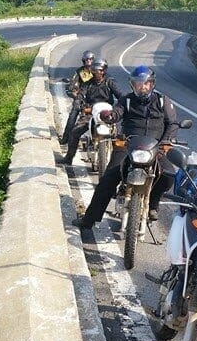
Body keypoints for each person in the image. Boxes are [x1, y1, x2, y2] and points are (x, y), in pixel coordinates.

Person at [72, 65, 179, 230]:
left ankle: (153, 204)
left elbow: (172, 123)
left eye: (146, 83)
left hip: (154, 147)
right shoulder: (127, 100)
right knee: (107, 179)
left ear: (151, 84)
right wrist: (108, 116)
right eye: (138, 84)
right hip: (129, 145)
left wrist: (166, 142)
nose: (142, 87)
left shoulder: (162, 101)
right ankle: (89, 220)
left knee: (169, 176)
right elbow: (116, 113)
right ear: (133, 85)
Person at [57, 58, 125, 164]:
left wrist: (121, 106)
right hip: (91, 113)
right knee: (75, 132)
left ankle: (119, 165)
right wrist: (79, 101)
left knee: (120, 137)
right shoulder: (88, 84)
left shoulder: (109, 82)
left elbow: (121, 96)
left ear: (103, 71)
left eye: (98, 70)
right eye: (94, 70)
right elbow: (81, 94)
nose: (96, 72)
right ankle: (68, 158)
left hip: (107, 114)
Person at [59, 50, 96, 144]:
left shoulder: (97, 71)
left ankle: (111, 138)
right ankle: (65, 138)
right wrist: (73, 89)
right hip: (82, 97)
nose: (88, 61)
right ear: (83, 60)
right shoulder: (80, 72)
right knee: (73, 114)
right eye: (86, 59)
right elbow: (73, 83)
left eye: (90, 59)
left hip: (96, 97)